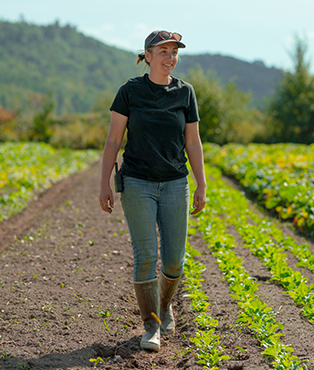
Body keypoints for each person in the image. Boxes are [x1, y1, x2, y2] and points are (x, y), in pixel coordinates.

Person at [99, 30, 206, 352]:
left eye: (174, 52)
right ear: (147, 56)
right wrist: (104, 182)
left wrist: (201, 183)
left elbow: (192, 141)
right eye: (163, 51)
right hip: (137, 182)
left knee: (174, 262)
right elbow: (114, 140)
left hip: (175, 183)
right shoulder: (130, 91)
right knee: (145, 258)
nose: (170, 57)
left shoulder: (185, 93)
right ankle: (152, 326)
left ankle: (164, 304)